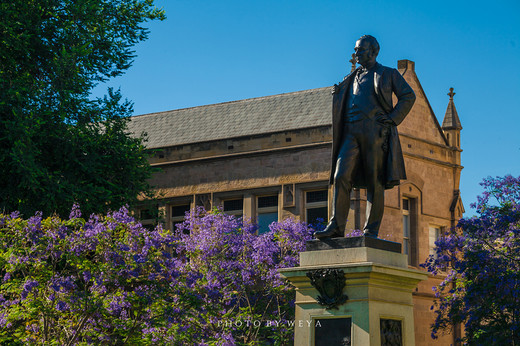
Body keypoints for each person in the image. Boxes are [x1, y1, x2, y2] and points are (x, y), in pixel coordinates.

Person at [313, 35, 416, 239]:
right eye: (356, 50)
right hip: (350, 133)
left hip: (375, 133)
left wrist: (393, 118)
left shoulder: (388, 73)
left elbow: (408, 96)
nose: (356, 53)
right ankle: (336, 226)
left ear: (373, 51)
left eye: (360, 50)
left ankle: (371, 230)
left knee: (374, 181)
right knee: (340, 176)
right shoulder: (350, 78)